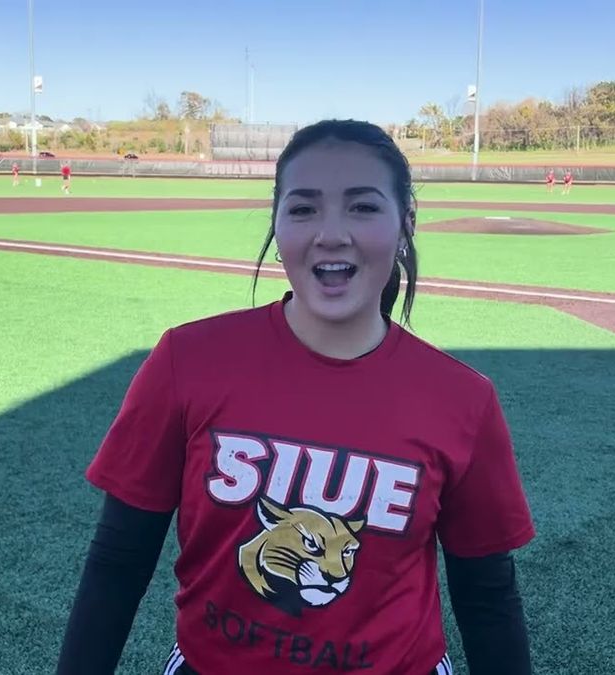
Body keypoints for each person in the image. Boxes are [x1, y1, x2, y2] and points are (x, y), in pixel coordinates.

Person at [57, 119, 535, 675]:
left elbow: (488, 596)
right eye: (304, 208)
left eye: (362, 207)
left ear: (406, 224)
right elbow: (118, 563)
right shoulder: (186, 361)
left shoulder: (462, 401)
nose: (330, 233)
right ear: (277, 224)